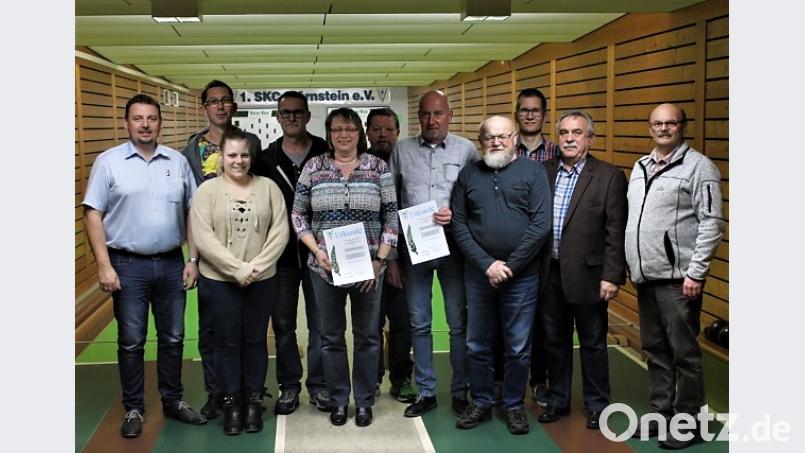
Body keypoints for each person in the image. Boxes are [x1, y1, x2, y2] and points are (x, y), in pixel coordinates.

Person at [83, 94, 205, 438]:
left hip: (170, 263)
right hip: (127, 264)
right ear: (127, 123)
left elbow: (191, 212)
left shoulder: (177, 162)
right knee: (132, 340)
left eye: (151, 118)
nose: (145, 124)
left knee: (174, 337)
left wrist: (193, 258)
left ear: (160, 123)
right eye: (138, 118)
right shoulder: (109, 162)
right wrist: (104, 266)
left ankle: (173, 401)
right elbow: (93, 213)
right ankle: (134, 408)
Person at [291, 107, 399, 427]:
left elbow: (391, 217)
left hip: (370, 268)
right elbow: (298, 215)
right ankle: (339, 399)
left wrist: (380, 261)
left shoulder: (377, 168)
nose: (344, 134)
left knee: (368, 336)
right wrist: (317, 251)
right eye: (337, 128)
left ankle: (364, 401)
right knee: (331, 337)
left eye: (350, 129)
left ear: (359, 133)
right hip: (325, 268)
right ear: (328, 133)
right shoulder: (314, 167)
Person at [625, 103, 724, 449]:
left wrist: (696, 273)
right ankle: (661, 414)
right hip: (646, 276)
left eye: (670, 123)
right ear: (649, 127)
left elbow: (711, 223)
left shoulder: (699, 168)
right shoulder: (640, 167)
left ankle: (690, 424)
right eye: (657, 123)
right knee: (655, 349)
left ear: (682, 126)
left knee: (684, 353)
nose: (663, 128)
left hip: (679, 279)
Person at [451, 116, 551, 435]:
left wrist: (509, 265)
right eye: (489, 137)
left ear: (515, 138)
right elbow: (459, 224)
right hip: (479, 275)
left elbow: (541, 225)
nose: (495, 142)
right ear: (480, 142)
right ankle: (480, 401)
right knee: (477, 344)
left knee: (518, 347)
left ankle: (513, 405)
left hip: (521, 276)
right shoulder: (469, 175)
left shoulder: (534, 173)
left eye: (502, 136)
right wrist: (487, 264)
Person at [190, 129, 289, 435]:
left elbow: (280, 231)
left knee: (255, 341)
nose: (238, 161)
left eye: (244, 155)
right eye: (232, 155)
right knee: (227, 343)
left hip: (261, 280)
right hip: (218, 282)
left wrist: (255, 267)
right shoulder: (206, 192)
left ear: (251, 156)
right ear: (222, 156)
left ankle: (253, 403)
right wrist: (236, 269)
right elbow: (203, 237)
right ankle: (231, 404)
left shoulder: (268, 187)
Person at [535, 110, 628, 431]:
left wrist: (612, 276)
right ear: (556, 137)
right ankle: (558, 399)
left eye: (577, 132)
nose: (570, 138)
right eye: (563, 132)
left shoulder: (608, 177)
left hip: (590, 277)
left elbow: (616, 231)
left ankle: (597, 405)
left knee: (592, 343)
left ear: (590, 138)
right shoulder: (543, 172)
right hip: (550, 275)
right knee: (554, 342)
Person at [389, 90, 479, 418]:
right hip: (414, 251)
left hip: (455, 247)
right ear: (419, 117)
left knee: (458, 322)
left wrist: (457, 215)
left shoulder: (466, 150)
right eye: (426, 114)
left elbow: (476, 197)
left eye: (438, 114)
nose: (431, 121)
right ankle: (426, 391)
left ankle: (460, 391)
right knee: (419, 322)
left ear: (450, 115)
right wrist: (393, 258)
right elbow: (392, 203)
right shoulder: (401, 151)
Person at [181, 79, 262, 419]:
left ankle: (246, 393)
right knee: (211, 328)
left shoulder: (250, 143)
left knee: (247, 328)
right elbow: (191, 206)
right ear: (205, 108)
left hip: (247, 248)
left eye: (225, 100)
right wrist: (194, 257)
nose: (220, 106)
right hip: (210, 250)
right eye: (213, 101)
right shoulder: (193, 146)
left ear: (234, 106)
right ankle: (219, 394)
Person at [252, 91, 331, 415]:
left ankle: (320, 385)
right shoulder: (266, 159)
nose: (292, 117)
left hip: (320, 254)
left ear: (308, 115)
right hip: (280, 256)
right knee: (283, 324)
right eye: (286, 112)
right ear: (277, 116)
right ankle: (289, 385)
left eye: (298, 112)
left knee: (322, 323)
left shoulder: (325, 153)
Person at [365, 107, 416, 403]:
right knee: (370, 324)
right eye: (377, 129)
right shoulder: (361, 164)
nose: (383, 134)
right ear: (368, 131)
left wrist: (396, 257)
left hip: (405, 258)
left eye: (389, 129)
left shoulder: (408, 162)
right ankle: (370, 379)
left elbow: (401, 212)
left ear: (398, 131)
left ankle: (401, 378)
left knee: (402, 323)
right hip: (370, 257)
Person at [515, 87, 557, 406]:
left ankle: (540, 379)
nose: (530, 115)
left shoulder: (558, 154)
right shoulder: (503, 151)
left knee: (543, 321)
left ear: (544, 114)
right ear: (517, 113)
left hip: (544, 251)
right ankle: (504, 380)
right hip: (509, 250)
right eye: (524, 110)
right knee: (506, 321)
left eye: (535, 110)